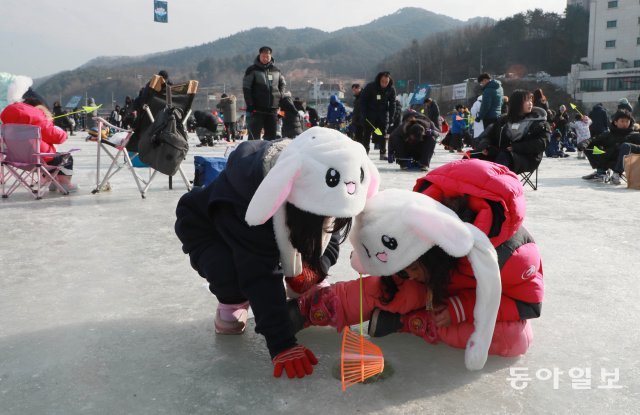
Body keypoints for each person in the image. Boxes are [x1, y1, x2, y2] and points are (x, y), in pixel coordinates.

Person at [174, 127, 380, 379]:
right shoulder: (255, 193)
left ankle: (300, 281)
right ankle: (230, 301)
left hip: (281, 225)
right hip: (210, 229)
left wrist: (316, 268)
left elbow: (332, 237)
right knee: (230, 272)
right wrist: (281, 343)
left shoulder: (328, 186)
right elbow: (259, 271)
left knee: (306, 250)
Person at [289, 161, 543, 363]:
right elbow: (388, 280)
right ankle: (312, 307)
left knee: (516, 338)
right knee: (391, 289)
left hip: (472, 302)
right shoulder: (418, 232)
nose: (408, 274)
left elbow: (528, 304)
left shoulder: (514, 257)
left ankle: (414, 322)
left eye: (412, 268)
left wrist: (461, 308)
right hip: (439, 280)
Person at [1, 87, 77, 193]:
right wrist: (64, 134)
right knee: (65, 158)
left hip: (16, 159)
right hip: (38, 159)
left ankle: (52, 182)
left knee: (48, 159)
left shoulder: (7, 122)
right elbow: (57, 137)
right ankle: (65, 183)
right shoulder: (36, 118)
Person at [475, 89, 550, 175]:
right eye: (527, 101)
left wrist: (516, 147)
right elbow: (487, 136)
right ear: (517, 103)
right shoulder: (503, 120)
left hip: (527, 157)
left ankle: (496, 185)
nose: (530, 103)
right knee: (474, 156)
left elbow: (542, 143)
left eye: (531, 100)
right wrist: (484, 146)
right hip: (502, 152)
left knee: (504, 157)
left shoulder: (539, 122)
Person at [578, 110, 640, 185]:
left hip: (626, 163)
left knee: (625, 146)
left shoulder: (634, 135)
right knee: (589, 147)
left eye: (627, 121)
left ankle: (616, 174)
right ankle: (601, 172)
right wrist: (584, 144)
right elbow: (593, 140)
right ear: (615, 122)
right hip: (609, 160)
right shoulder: (608, 134)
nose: (625, 123)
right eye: (622, 121)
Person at [242, 46, 286, 140]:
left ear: (271, 56)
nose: (265, 58)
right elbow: (246, 88)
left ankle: (267, 153)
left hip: (273, 109)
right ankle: (252, 153)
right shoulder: (252, 70)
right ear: (259, 55)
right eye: (263, 56)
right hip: (257, 109)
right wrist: (250, 104)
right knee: (254, 136)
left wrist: (280, 96)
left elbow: (282, 84)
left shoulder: (276, 70)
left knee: (271, 136)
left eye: (267, 56)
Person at [360, 71, 397, 159]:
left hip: (383, 115)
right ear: (379, 80)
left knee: (382, 134)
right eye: (382, 81)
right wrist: (363, 114)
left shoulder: (391, 89)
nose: (384, 84)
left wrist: (391, 117)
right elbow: (363, 101)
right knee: (367, 134)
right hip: (370, 115)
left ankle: (383, 153)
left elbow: (393, 104)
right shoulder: (370, 87)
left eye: (386, 82)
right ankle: (365, 152)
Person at [350, 83, 364, 147]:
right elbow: (356, 111)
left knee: (362, 139)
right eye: (353, 90)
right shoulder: (356, 99)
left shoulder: (364, 96)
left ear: (359, 88)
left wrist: (361, 118)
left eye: (354, 90)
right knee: (358, 139)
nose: (354, 91)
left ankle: (363, 153)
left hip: (362, 122)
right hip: (357, 122)